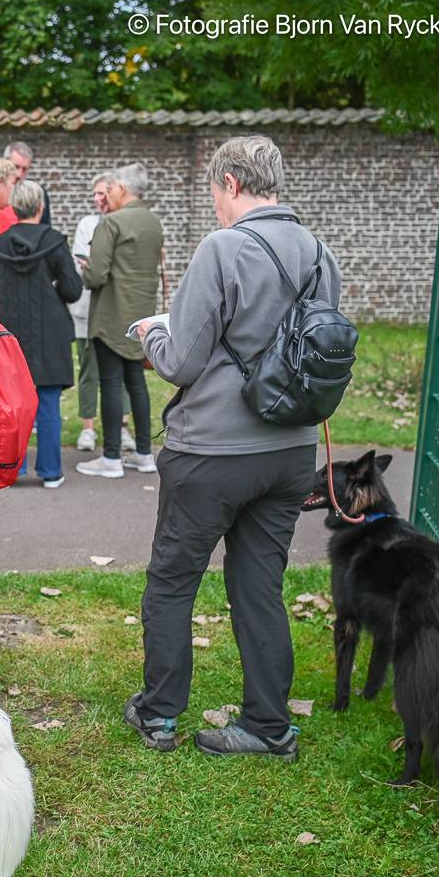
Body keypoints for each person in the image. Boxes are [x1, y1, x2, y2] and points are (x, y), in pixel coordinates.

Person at [122, 134, 342, 761]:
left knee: (172, 581)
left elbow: (184, 360)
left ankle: (160, 714)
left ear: (232, 185)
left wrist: (149, 335)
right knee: (258, 586)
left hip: (211, 452)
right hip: (291, 449)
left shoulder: (222, 248)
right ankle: (269, 726)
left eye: (215, 191)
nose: (215, 203)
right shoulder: (322, 254)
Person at [0, 180, 81, 487]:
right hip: (50, 332)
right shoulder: (54, 240)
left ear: (13, 208)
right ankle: (51, 471)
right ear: (40, 207)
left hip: (12, 333)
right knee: (49, 404)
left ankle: (13, 468)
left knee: (14, 405)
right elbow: (72, 289)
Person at [75, 163, 163, 479]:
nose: (106, 195)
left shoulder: (111, 224)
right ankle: (143, 453)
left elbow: (96, 275)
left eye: (109, 189)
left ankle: (111, 456)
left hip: (110, 316)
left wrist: (84, 268)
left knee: (111, 384)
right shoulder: (154, 222)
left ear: (122, 190)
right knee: (137, 383)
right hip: (143, 316)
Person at [71, 173, 132, 453]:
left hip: (118, 312)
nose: (98, 199)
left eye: (102, 193)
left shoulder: (126, 223)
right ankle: (88, 428)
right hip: (88, 309)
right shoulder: (87, 224)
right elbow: (83, 263)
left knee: (122, 374)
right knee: (89, 370)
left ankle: (122, 428)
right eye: (94, 194)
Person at [4, 140, 51, 226]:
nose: (19, 174)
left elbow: (45, 227)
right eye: (16, 167)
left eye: (24, 169)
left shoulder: (38, 193)